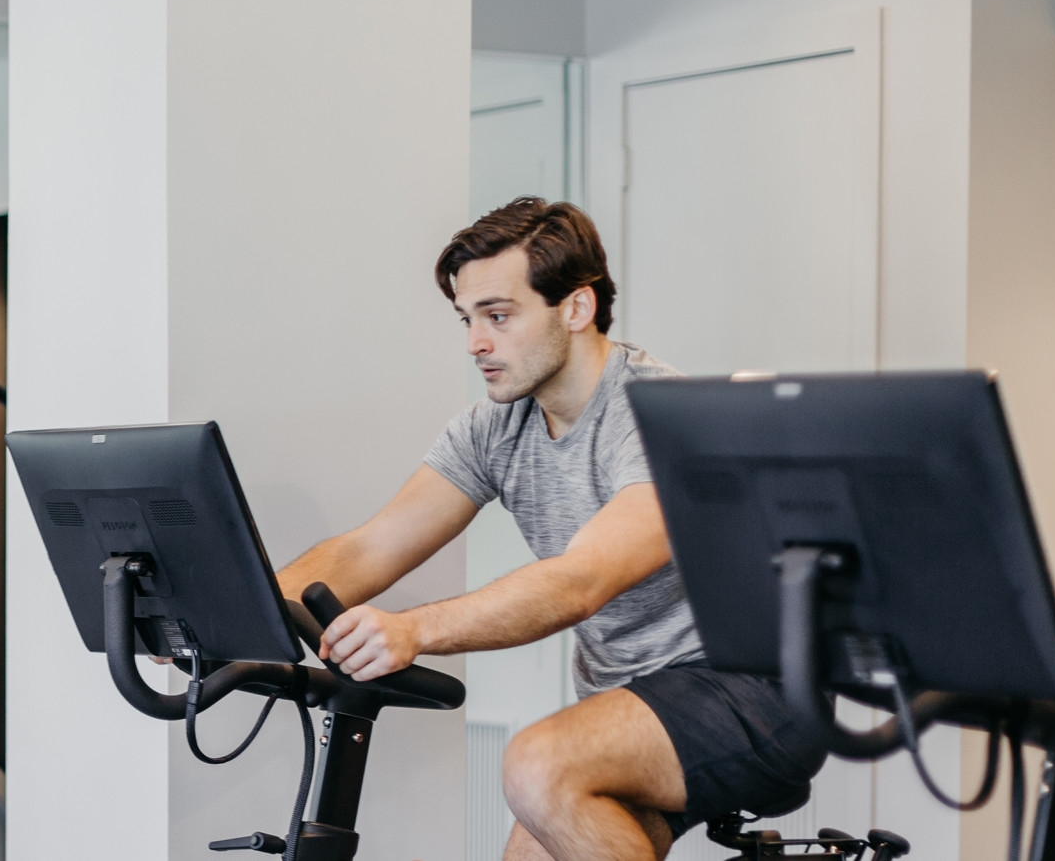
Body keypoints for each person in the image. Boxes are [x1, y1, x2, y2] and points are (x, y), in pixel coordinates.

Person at [272, 198, 825, 860]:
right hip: (627, 704)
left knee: (537, 764)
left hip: (750, 695)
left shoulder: (659, 417)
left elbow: (582, 580)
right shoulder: (493, 428)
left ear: (577, 308)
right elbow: (370, 546)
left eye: (499, 316)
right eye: (468, 319)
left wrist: (413, 628)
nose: (476, 342)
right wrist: (232, 606)